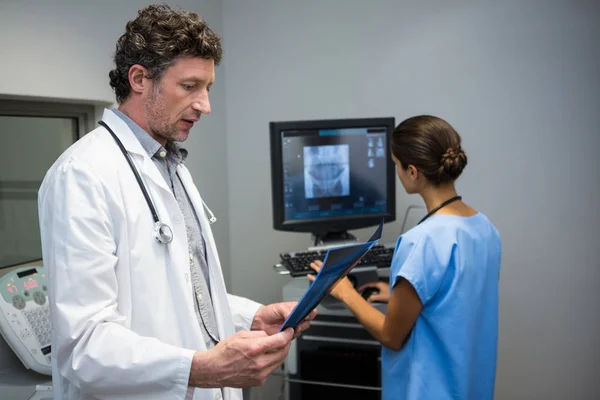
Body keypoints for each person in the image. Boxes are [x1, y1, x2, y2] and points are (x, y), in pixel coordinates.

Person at [38, 4, 314, 400]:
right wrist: (200, 368)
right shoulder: (82, 175)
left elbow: (183, 292)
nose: (205, 105)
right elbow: (83, 347)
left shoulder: (171, 166)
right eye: (190, 87)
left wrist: (250, 316)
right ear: (139, 79)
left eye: (208, 88)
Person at [310, 115, 501, 400]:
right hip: (471, 388)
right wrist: (398, 295)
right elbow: (459, 300)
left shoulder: (420, 242)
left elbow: (391, 336)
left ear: (412, 171)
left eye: (396, 166)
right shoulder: (485, 228)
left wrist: (345, 292)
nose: (396, 173)